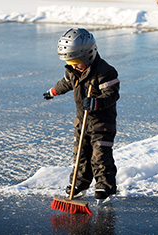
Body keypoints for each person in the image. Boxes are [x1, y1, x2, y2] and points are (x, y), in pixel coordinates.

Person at [43, 28, 119, 200]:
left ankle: (105, 188)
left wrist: (96, 102)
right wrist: (53, 92)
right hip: (81, 122)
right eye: (69, 62)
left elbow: (112, 94)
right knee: (80, 155)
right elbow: (65, 84)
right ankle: (79, 184)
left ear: (89, 54)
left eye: (76, 61)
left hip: (102, 124)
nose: (73, 65)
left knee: (100, 157)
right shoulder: (73, 72)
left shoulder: (105, 72)